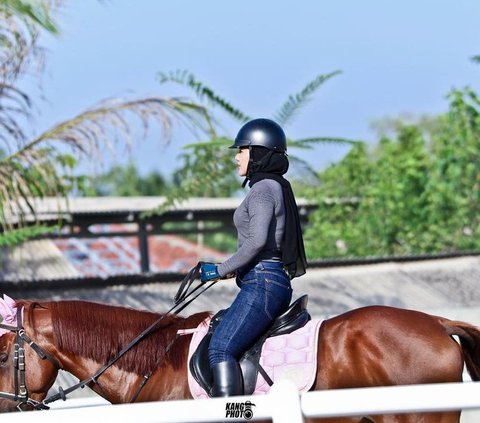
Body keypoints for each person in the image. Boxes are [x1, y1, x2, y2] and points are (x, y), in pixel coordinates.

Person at [199, 118, 307, 397]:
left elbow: (257, 241)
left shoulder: (262, 190)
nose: (236, 158)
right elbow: (266, 244)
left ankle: (232, 416)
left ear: (259, 153)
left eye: (242, 150)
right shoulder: (273, 186)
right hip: (268, 279)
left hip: (263, 283)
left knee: (221, 348)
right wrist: (234, 269)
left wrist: (219, 269)